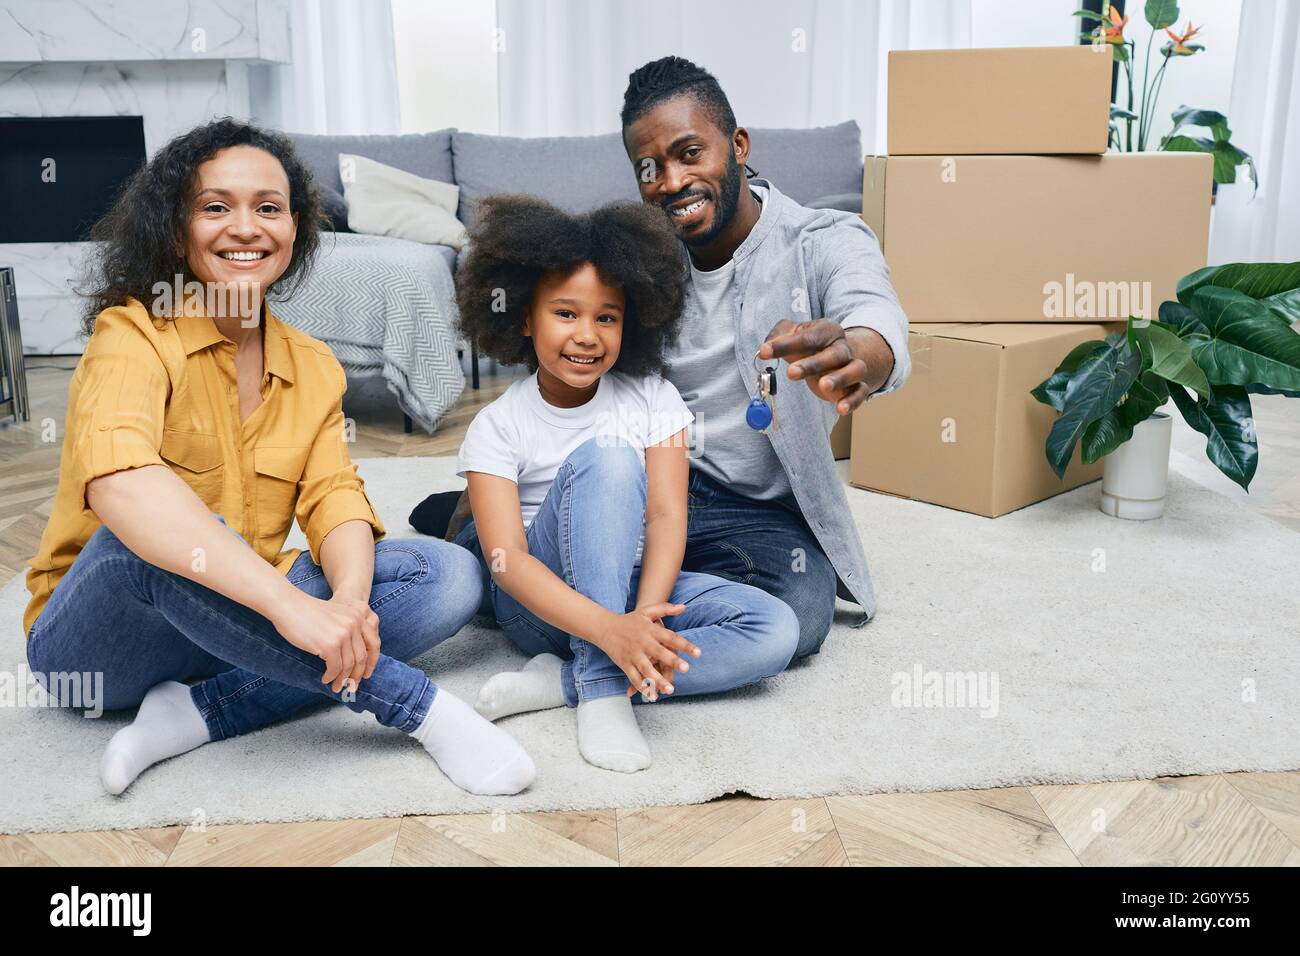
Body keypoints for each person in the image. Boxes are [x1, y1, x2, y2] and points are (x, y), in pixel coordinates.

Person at [23, 118, 534, 797]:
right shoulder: (133, 335)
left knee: (449, 575)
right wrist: (293, 611)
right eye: (215, 207)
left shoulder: (311, 364)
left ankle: (197, 712)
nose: (246, 228)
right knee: (154, 535)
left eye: (268, 208)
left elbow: (335, 499)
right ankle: (418, 709)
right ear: (178, 230)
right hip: (101, 644)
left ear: (295, 230)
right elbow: (125, 489)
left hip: (227, 622)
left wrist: (347, 606)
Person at [452, 195, 799, 773]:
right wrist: (608, 630)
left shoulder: (653, 397)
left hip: (635, 587)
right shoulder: (496, 426)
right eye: (566, 314)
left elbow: (666, 516)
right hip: (541, 607)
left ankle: (564, 682)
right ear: (523, 319)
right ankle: (603, 689)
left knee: (773, 629)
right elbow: (507, 561)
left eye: (606, 317)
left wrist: (645, 621)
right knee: (611, 456)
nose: (587, 335)